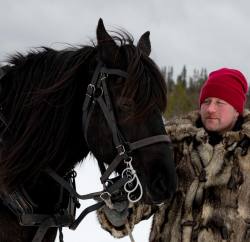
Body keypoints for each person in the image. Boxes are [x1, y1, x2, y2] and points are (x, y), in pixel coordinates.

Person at [96, 67, 250, 242]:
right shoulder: (173, 143)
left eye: (220, 103)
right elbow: (144, 197)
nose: (211, 109)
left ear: (237, 109)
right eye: (206, 101)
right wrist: (121, 209)